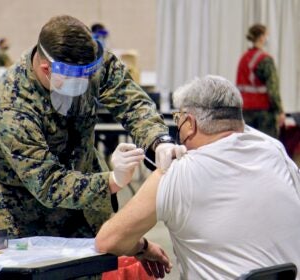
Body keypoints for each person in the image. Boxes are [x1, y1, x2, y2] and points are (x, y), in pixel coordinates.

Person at [0, 15, 181, 239]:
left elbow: (132, 102)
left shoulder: (88, 62)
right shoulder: (11, 105)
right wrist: (113, 181)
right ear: (46, 69)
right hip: (17, 208)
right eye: (76, 78)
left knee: (90, 265)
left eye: (89, 74)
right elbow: (47, 184)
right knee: (33, 270)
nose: (85, 82)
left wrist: (159, 140)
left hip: (83, 194)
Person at [96, 75, 300, 279]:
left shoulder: (177, 172)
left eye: (179, 119)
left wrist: (143, 246)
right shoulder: (275, 151)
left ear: (190, 123)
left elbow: (108, 241)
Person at [236, 23, 285, 138]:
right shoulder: (265, 60)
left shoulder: (243, 58)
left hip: (246, 111)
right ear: (262, 37)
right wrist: (280, 110)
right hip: (263, 113)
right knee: (266, 145)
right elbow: (273, 89)